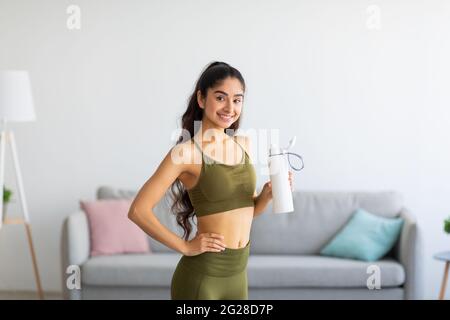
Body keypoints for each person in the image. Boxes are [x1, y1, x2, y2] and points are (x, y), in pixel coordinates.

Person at [128, 61, 293, 299]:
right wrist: (184, 246)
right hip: (202, 278)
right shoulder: (186, 153)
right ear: (201, 99)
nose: (230, 107)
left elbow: (241, 212)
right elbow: (138, 210)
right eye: (220, 97)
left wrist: (265, 197)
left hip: (238, 276)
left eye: (237, 99)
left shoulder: (244, 144)